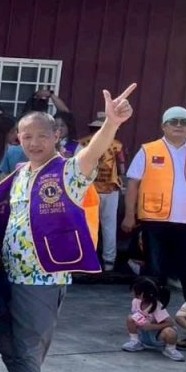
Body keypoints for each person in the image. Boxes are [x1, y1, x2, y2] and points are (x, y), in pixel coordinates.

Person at [0, 84, 137, 372]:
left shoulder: (67, 171)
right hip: (7, 277)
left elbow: (92, 154)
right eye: (26, 136)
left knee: (27, 353)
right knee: (7, 346)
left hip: (42, 280)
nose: (34, 142)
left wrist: (111, 124)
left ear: (56, 135)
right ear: (18, 139)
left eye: (41, 135)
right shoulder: (19, 174)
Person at [122, 106, 186, 303]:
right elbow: (133, 184)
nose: (178, 125)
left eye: (184, 122)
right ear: (164, 126)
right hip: (155, 222)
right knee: (155, 272)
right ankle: (153, 316)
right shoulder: (148, 150)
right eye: (173, 121)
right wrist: (129, 215)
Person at [78, 112, 125, 272]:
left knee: (87, 224)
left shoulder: (83, 143)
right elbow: (122, 168)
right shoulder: (117, 145)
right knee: (109, 225)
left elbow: (76, 166)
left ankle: (86, 260)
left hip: (88, 189)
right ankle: (109, 262)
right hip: (110, 189)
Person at [121, 278, 183, 360]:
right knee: (130, 317)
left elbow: (170, 323)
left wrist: (152, 326)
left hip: (157, 336)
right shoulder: (136, 301)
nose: (132, 293)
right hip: (144, 334)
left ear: (142, 294)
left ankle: (170, 349)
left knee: (170, 331)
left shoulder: (157, 306)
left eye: (134, 291)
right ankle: (135, 341)